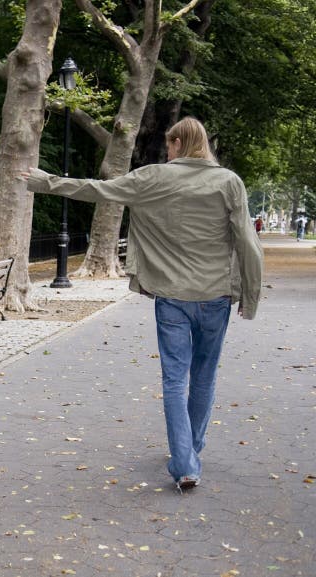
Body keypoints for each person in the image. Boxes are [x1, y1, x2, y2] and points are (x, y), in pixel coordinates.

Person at [22, 116, 263, 491]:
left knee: (173, 380)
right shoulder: (229, 182)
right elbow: (247, 242)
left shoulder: (154, 178)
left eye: (169, 145)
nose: (167, 151)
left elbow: (96, 189)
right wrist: (250, 294)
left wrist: (43, 181)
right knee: (204, 377)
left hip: (171, 297)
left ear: (179, 143)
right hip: (215, 296)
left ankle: (185, 462)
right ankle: (191, 450)